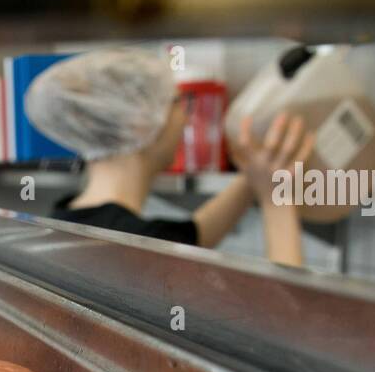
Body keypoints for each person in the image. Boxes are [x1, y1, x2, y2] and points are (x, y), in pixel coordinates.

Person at [23, 47, 314, 267]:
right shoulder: (142, 251)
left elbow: (192, 236)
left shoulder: (68, 216)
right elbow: (289, 326)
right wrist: (278, 198)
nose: (186, 119)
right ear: (139, 122)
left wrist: (254, 175)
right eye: (177, 103)